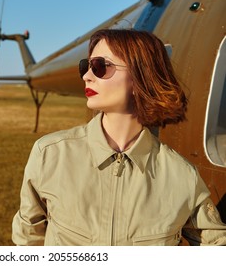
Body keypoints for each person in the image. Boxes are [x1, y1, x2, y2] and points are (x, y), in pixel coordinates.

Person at [12, 29, 226, 246]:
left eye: (99, 67)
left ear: (141, 76)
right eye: (86, 67)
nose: (86, 76)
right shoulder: (49, 154)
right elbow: (28, 239)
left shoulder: (182, 176)